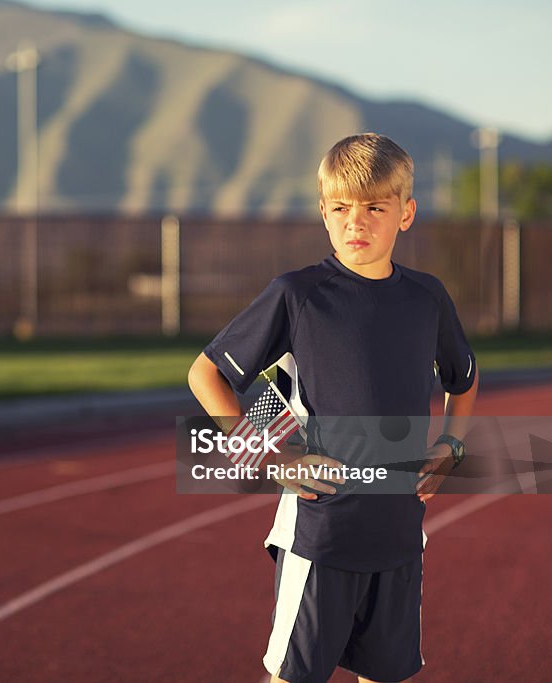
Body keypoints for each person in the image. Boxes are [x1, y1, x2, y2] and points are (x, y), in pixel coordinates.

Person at [187, 133, 479, 683]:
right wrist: (272, 458)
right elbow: (206, 375)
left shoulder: (427, 298)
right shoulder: (297, 295)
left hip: (398, 533)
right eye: (341, 208)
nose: (356, 221)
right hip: (321, 533)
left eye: (374, 207)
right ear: (323, 213)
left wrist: (451, 445)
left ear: (406, 213)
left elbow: (462, 378)